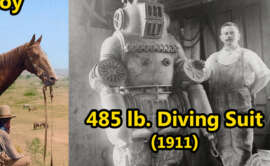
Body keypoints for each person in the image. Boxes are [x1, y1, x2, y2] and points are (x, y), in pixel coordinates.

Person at [89, 0, 214, 165]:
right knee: (134, 159)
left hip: (170, 111)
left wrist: (206, 119)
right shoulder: (117, 41)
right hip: (133, 110)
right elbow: (106, 80)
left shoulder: (171, 42)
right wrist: (118, 126)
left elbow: (187, 77)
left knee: (171, 159)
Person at [203, 22, 270, 166]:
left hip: (241, 107)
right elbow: (203, 76)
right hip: (218, 108)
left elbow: (265, 75)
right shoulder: (213, 58)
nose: (228, 36)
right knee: (223, 144)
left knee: (243, 144)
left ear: (238, 36)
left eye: (231, 33)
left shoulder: (247, 54)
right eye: (225, 33)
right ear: (221, 37)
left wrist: (251, 90)